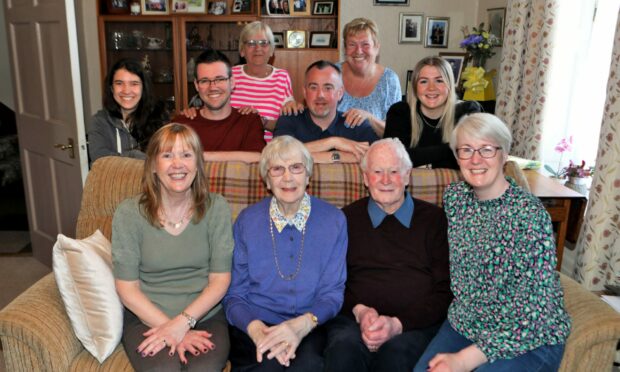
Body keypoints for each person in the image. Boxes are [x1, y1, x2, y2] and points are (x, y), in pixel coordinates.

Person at [414, 113, 571, 372]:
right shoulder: (455, 199)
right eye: (466, 150)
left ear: (504, 153)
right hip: (467, 323)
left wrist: (466, 359)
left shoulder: (529, 215)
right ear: (457, 157)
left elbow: (533, 314)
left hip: (528, 336)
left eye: (486, 149)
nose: (475, 160)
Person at [112, 123, 234, 371]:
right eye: (167, 155)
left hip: (204, 316)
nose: (177, 164)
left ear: (197, 165)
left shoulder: (217, 208)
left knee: (204, 368)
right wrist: (171, 327)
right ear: (154, 166)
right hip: (147, 318)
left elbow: (220, 281)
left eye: (186, 155)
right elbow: (127, 288)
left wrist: (184, 323)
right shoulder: (128, 214)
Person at [323, 138, 451, 372]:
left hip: (417, 325)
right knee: (343, 350)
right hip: (353, 320)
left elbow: (445, 290)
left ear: (407, 175)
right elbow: (331, 283)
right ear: (364, 178)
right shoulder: (345, 220)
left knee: (396, 356)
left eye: (394, 171)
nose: (385, 180)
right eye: (377, 172)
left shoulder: (435, 220)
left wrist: (399, 324)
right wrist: (360, 311)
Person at [223, 135, 347, 371]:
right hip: (256, 324)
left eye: (296, 168)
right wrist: (256, 330)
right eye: (277, 169)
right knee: (266, 365)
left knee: (308, 366)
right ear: (267, 181)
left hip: (309, 324)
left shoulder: (334, 220)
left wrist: (301, 326)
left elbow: (332, 293)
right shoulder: (247, 221)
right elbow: (235, 295)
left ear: (308, 175)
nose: (287, 177)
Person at [185, 22, 302, 142]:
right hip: (230, 145)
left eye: (264, 43)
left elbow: (288, 124)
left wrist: (260, 121)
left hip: (270, 152)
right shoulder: (229, 74)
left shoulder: (282, 77)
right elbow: (210, 103)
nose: (258, 48)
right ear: (242, 51)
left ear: (271, 50)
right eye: (251, 43)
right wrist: (193, 112)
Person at [384, 56, 482, 169]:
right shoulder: (400, 112)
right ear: (415, 87)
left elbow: (473, 157)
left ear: (450, 85)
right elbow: (391, 157)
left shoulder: (467, 111)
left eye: (439, 80)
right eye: (424, 81)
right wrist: (452, 149)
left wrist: (422, 162)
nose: (431, 88)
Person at [274, 60, 378, 164]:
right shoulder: (289, 119)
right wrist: (333, 142)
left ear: (340, 93)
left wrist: (309, 156)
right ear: (305, 92)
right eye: (313, 88)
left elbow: (378, 157)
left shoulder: (355, 124)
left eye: (328, 88)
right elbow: (277, 154)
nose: (320, 95)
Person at [173, 49, 266, 163]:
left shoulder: (249, 120)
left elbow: (259, 158)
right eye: (204, 81)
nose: (212, 87)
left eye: (220, 79)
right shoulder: (182, 124)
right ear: (197, 85)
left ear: (232, 82)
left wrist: (201, 156)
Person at [88, 58, 169, 163]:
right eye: (119, 83)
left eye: (134, 84)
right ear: (111, 88)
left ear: (143, 88)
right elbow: (100, 160)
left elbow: (166, 159)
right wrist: (135, 155)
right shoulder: (100, 121)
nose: (126, 90)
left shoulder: (160, 117)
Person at [337, 18, 401, 137]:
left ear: (376, 48)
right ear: (345, 49)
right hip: (335, 152)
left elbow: (396, 134)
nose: (358, 51)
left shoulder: (389, 80)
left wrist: (369, 119)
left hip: (376, 153)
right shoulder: (332, 74)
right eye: (352, 44)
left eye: (365, 44)